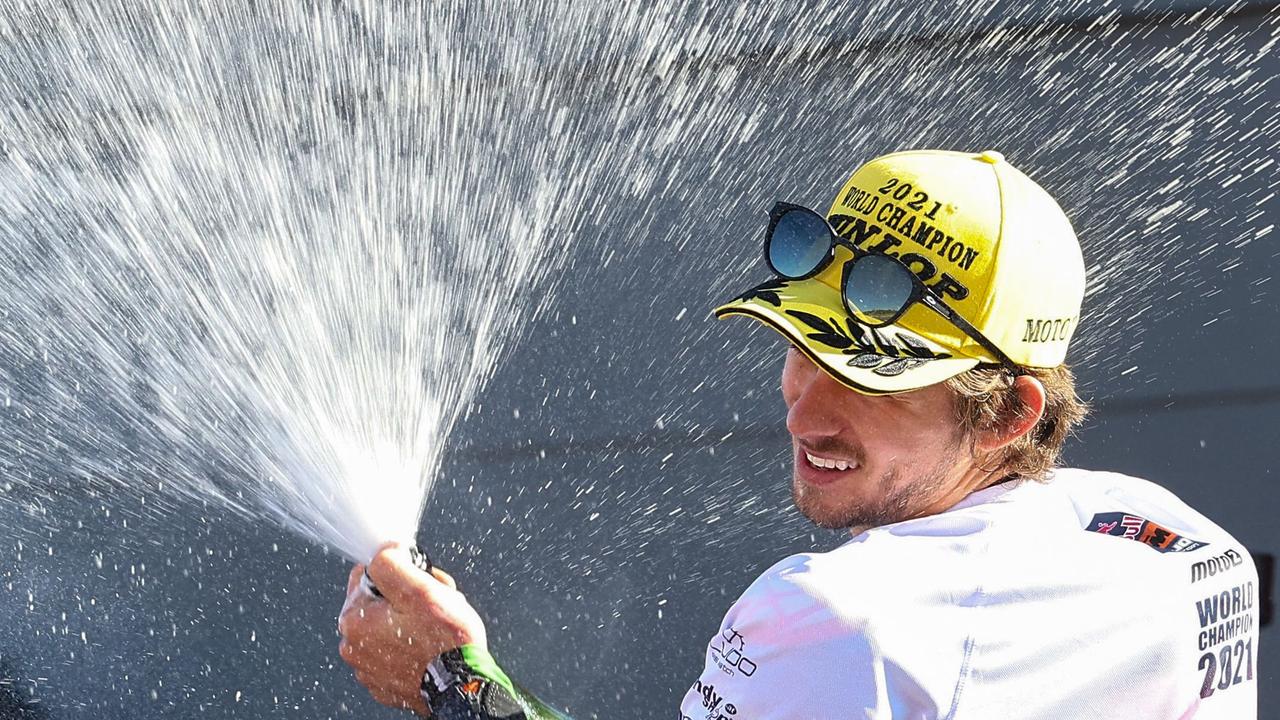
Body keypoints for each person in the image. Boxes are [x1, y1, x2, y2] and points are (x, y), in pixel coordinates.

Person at [338, 149, 1260, 718]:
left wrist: (452, 682)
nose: (806, 408)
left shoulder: (842, 618)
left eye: (871, 379)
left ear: (1009, 412)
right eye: (801, 347)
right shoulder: (1182, 548)